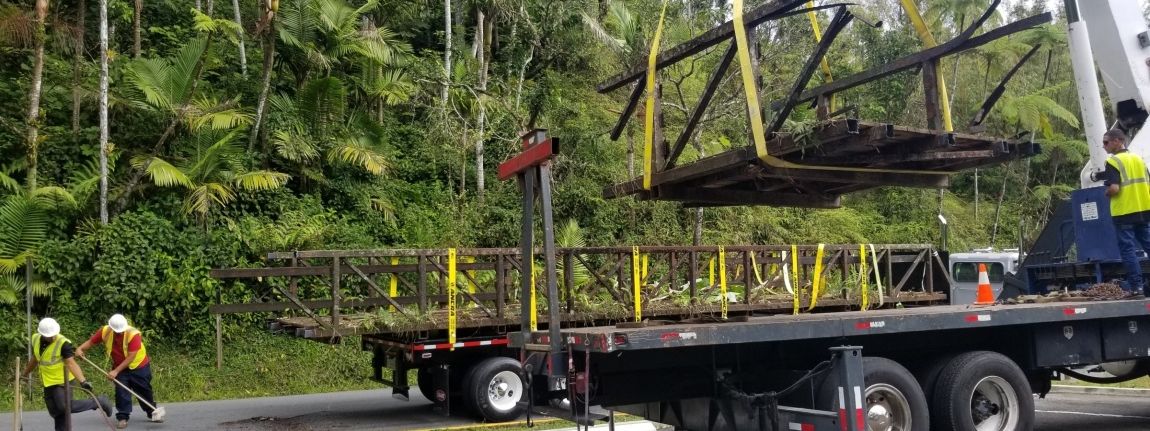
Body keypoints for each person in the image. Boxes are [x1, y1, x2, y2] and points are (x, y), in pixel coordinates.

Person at [21, 317, 113, 431]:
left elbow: (71, 363)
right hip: (47, 381)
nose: (53, 337)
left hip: (62, 381)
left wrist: (83, 381)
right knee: (55, 411)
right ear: (42, 334)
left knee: (64, 406)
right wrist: (25, 373)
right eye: (49, 335)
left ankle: (99, 402)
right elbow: (35, 358)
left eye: (54, 334)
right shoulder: (35, 338)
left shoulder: (64, 343)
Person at [77, 314, 162, 429]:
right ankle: (123, 417)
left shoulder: (133, 334)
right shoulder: (105, 331)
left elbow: (131, 357)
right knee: (121, 391)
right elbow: (91, 342)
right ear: (112, 328)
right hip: (119, 366)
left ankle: (152, 412)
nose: (120, 332)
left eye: (121, 331)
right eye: (118, 331)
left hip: (139, 366)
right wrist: (80, 348)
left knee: (144, 390)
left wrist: (115, 371)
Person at [1101, 128, 1150, 298]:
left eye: (1106, 142)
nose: (1104, 146)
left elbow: (1114, 188)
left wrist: (1107, 193)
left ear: (1117, 141)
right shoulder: (1138, 159)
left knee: (1128, 250)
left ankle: (1137, 288)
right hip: (1144, 209)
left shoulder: (1113, 161)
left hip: (1124, 212)